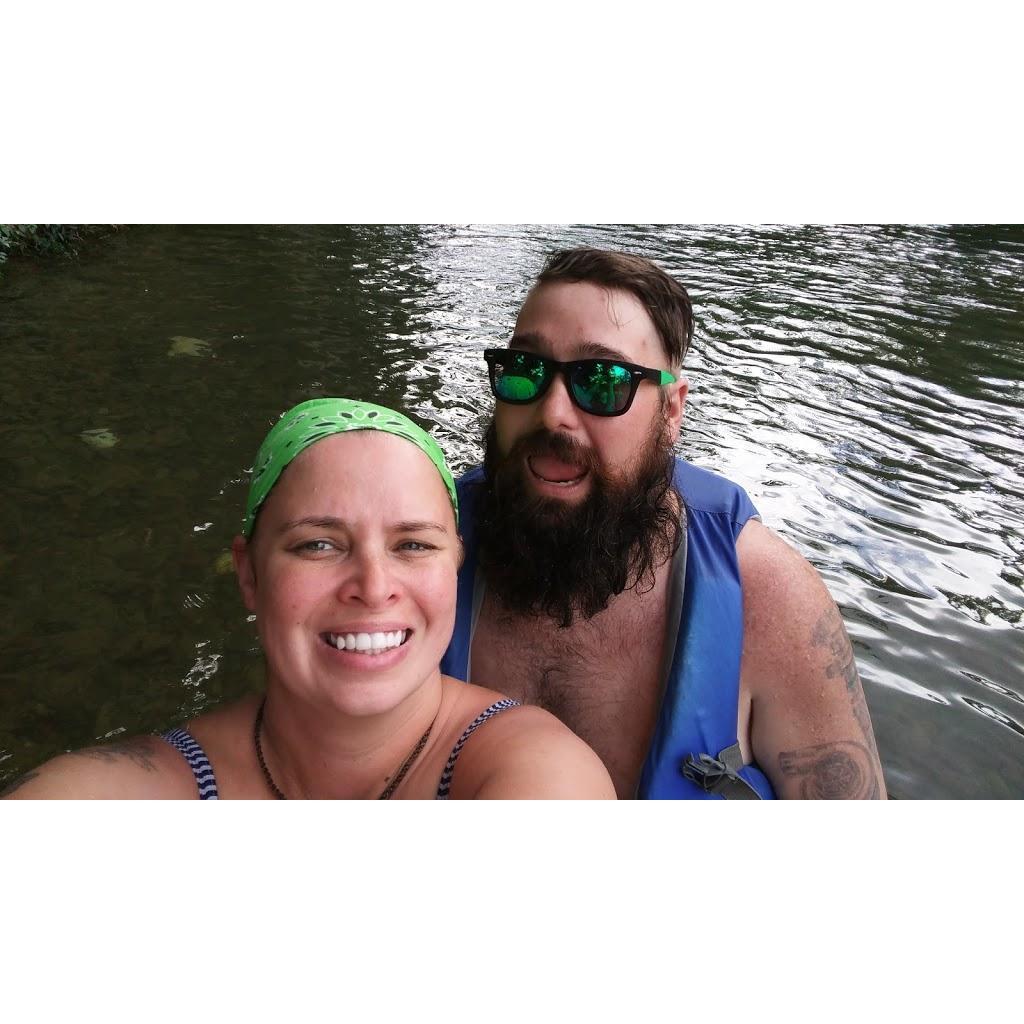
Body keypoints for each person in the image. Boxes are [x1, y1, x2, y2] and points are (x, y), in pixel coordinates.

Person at [440, 248, 887, 800]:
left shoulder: (768, 596)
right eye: (526, 370)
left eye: (602, 381)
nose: (551, 413)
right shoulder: (419, 548)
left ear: (671, 411)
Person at [4, 398, 614, 800]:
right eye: (318, 544)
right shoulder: (139, 790)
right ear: (249, 574)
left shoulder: (533, 771)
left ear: (455, 564)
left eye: (413, 545)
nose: (373, 586)